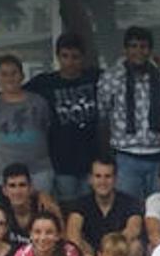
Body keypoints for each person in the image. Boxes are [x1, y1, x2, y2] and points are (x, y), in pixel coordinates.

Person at [98, 26, 160, 201]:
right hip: (125, 155)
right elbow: (103, 114)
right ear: (125, 49)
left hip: (157, 155)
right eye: (133, 46)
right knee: (129, 210)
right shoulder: (112, 77)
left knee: (157, 210)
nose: (138, 51)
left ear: (150, 50)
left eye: (143, 46)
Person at [22, 33, 101, 201]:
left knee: (90, 207)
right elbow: (15, 95)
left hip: (93, 159)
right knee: (68, 208)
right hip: (62, 161)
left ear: (83, 58)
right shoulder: (45, 82)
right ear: (58, 57)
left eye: (75, 57)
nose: (70, 62)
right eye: (65, 56)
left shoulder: (95, 78)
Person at [0, 54, 54, 192]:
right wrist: (3, 147)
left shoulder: (38, 102)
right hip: (5, 172)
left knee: (42, 210)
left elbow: (48, 129)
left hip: (39, 170)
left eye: (14, 73)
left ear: (22, 76)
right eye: (4, 74)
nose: (10, 78)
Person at [65, 158, 144, 256]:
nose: (103, 181)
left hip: (118, 254)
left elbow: (134, 229)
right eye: (98, 176)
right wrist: (85, 255)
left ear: (115, 179)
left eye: (108, 176)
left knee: (136, 246)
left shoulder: (129, 202)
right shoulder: (81, 203)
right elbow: (72, 232)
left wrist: (108, 255)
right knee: (74, 246)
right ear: (90, 179)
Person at [1, 163, 62, 242]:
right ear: (4, 190)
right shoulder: (0, 213)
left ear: (30, 188)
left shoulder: (45, 207)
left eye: (22, 185)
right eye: (12, 186)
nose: (17, 191)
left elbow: (61, 240)